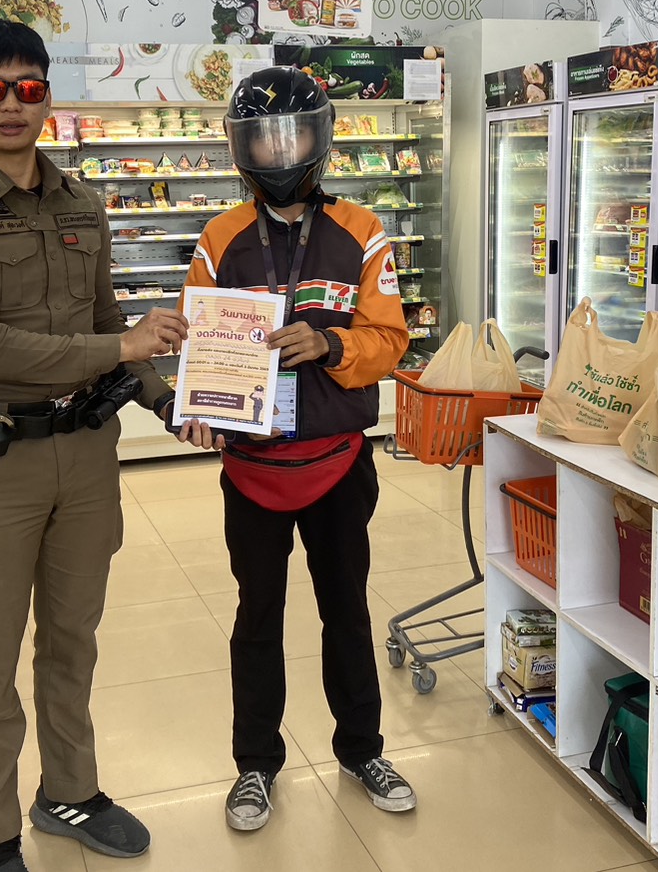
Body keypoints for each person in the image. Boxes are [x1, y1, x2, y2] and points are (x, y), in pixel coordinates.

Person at [0, 21, 187, 872]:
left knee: (72, 639)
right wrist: (122, 347)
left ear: (47, 97)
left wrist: (175, 402)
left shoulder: (80, 204)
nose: (10, 104)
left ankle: (69, 791)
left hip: (87, 455)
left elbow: (105, 321)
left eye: (27, 88)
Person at [171, 67, 415, 832]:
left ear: (320, 139)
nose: (278, 153)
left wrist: (330, 343)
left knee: (346, 612)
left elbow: (390, 340)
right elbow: (196, 344)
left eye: (293, 135)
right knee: (256, 617)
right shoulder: (220, 238)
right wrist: (196, 408)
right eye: (261, 140)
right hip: (251, 470)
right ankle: (255, 765)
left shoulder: (361, 231)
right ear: (238, 149)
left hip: (337, 463)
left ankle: (362, 750)